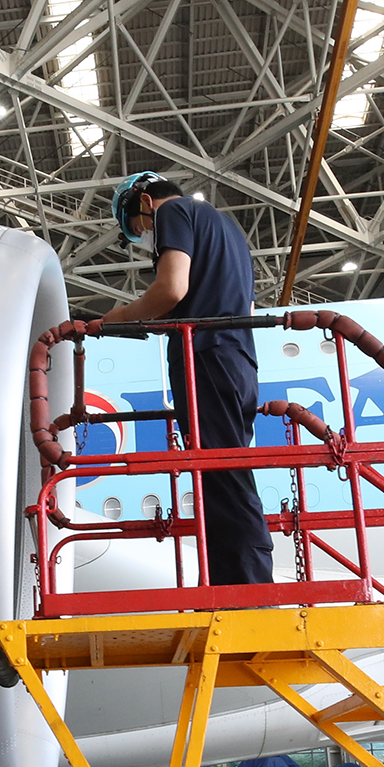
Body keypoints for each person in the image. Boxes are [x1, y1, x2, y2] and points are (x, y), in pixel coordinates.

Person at [104, 172, 273, 585]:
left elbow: (172, 289)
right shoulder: (227, 229)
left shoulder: (174, 211)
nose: (144, 234)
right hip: (238, 360)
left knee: (220, 474)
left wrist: (109, 322)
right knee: (225, 471)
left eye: (137, 225)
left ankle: (248, 589)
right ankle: (236, 581)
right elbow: (233, 303)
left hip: (205, 359)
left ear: (144, 201)